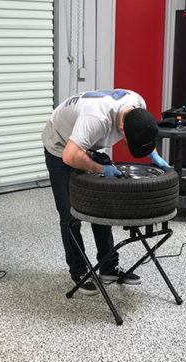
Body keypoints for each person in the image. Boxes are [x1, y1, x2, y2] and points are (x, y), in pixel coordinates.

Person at [41, 89, 169, 296]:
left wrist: (152, 153)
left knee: (99, 208)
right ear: (120, 127)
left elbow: (143, 131)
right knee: (70, 214)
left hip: (86, 141)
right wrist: (100, 169)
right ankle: (79, 271)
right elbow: (70, 156)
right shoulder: (96, 120)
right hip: (60, 145)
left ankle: (108, 268)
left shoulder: (137, 102)